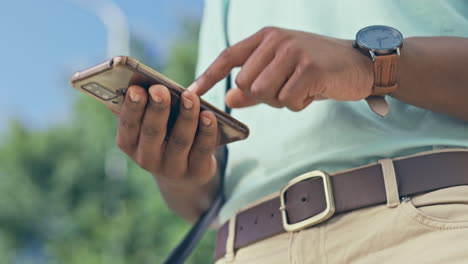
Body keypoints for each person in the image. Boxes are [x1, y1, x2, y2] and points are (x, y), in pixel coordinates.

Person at [113, 0, 468, 263]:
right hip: (248, 248)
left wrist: (370, 65)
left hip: (427, 230)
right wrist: (177, 170)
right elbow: (199, 203)